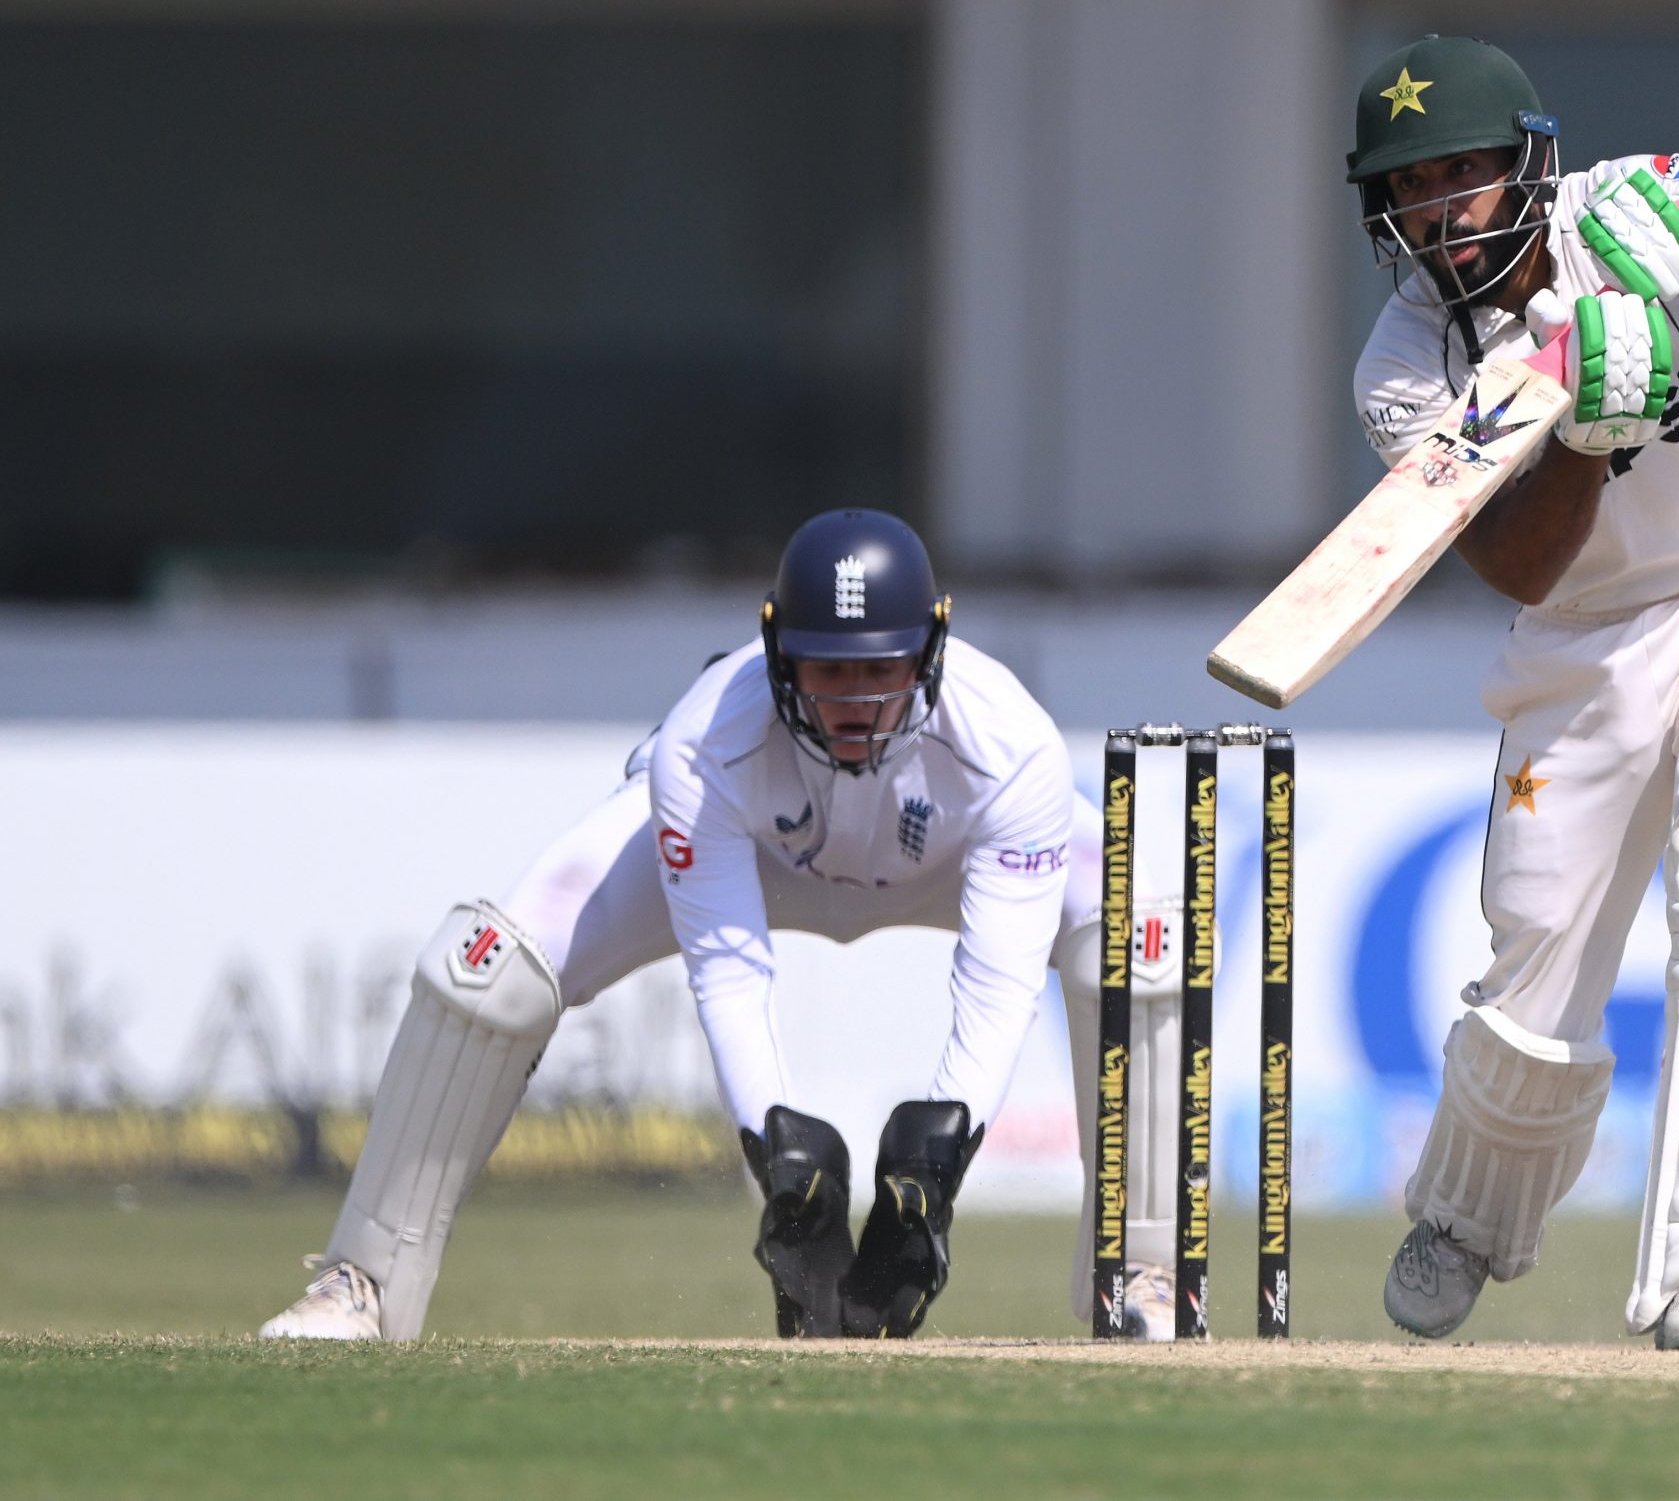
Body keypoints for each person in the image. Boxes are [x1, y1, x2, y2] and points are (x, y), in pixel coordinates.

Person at [258, 508, 1191, 1342]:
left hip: (943, 857)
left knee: (1148, 935)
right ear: (776, 649)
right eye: (827, 669)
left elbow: (996, 987)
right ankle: (365, 1281)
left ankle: (1141, 1272)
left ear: (932, 649)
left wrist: (937, 1155)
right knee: (488, 967)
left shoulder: (1010, 747)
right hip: (754, 853)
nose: (855, 704)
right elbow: (728, 974)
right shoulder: (702, 744)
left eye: (881, 669)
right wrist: (779, 1151)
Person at [1347, 36, 1679, 1351]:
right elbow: (1518, 559)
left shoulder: (1611, 208)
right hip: (1577, 652)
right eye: (1413, 188)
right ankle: (1468, 1211)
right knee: (1533, 973)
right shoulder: (1405, 372)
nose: (1441, 209)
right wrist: (1583, 431)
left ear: (1529, 160)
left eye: (1465, 174)